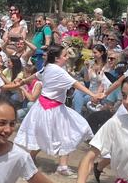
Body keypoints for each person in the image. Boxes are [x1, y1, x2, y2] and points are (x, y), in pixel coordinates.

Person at [14, 45, 96, 176]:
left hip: (44, 107)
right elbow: (76, 83)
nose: (67, 57)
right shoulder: (58, 71)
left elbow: (36, 75)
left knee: (45, 134)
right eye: (65, 55)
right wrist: (93, 94)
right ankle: (61, 166)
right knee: (65, 133)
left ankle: (52, 163)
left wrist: (23, 81)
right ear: (57, 59)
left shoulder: (49, 67)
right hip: (53, 108)